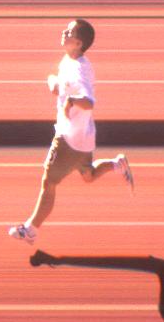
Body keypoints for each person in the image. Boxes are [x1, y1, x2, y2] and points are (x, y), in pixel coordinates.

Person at [9, 19, 135, 243]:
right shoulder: (69, 60)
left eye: (70, 32)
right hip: (85, 137)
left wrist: (71, 102)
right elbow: (62, 87)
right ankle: (117, 164)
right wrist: (53, 82)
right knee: (88, 176)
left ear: (78, 43)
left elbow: (88, 101)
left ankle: (30, 230)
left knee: (49, 183)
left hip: (68, 139)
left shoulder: (79, 69)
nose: (64, 32)